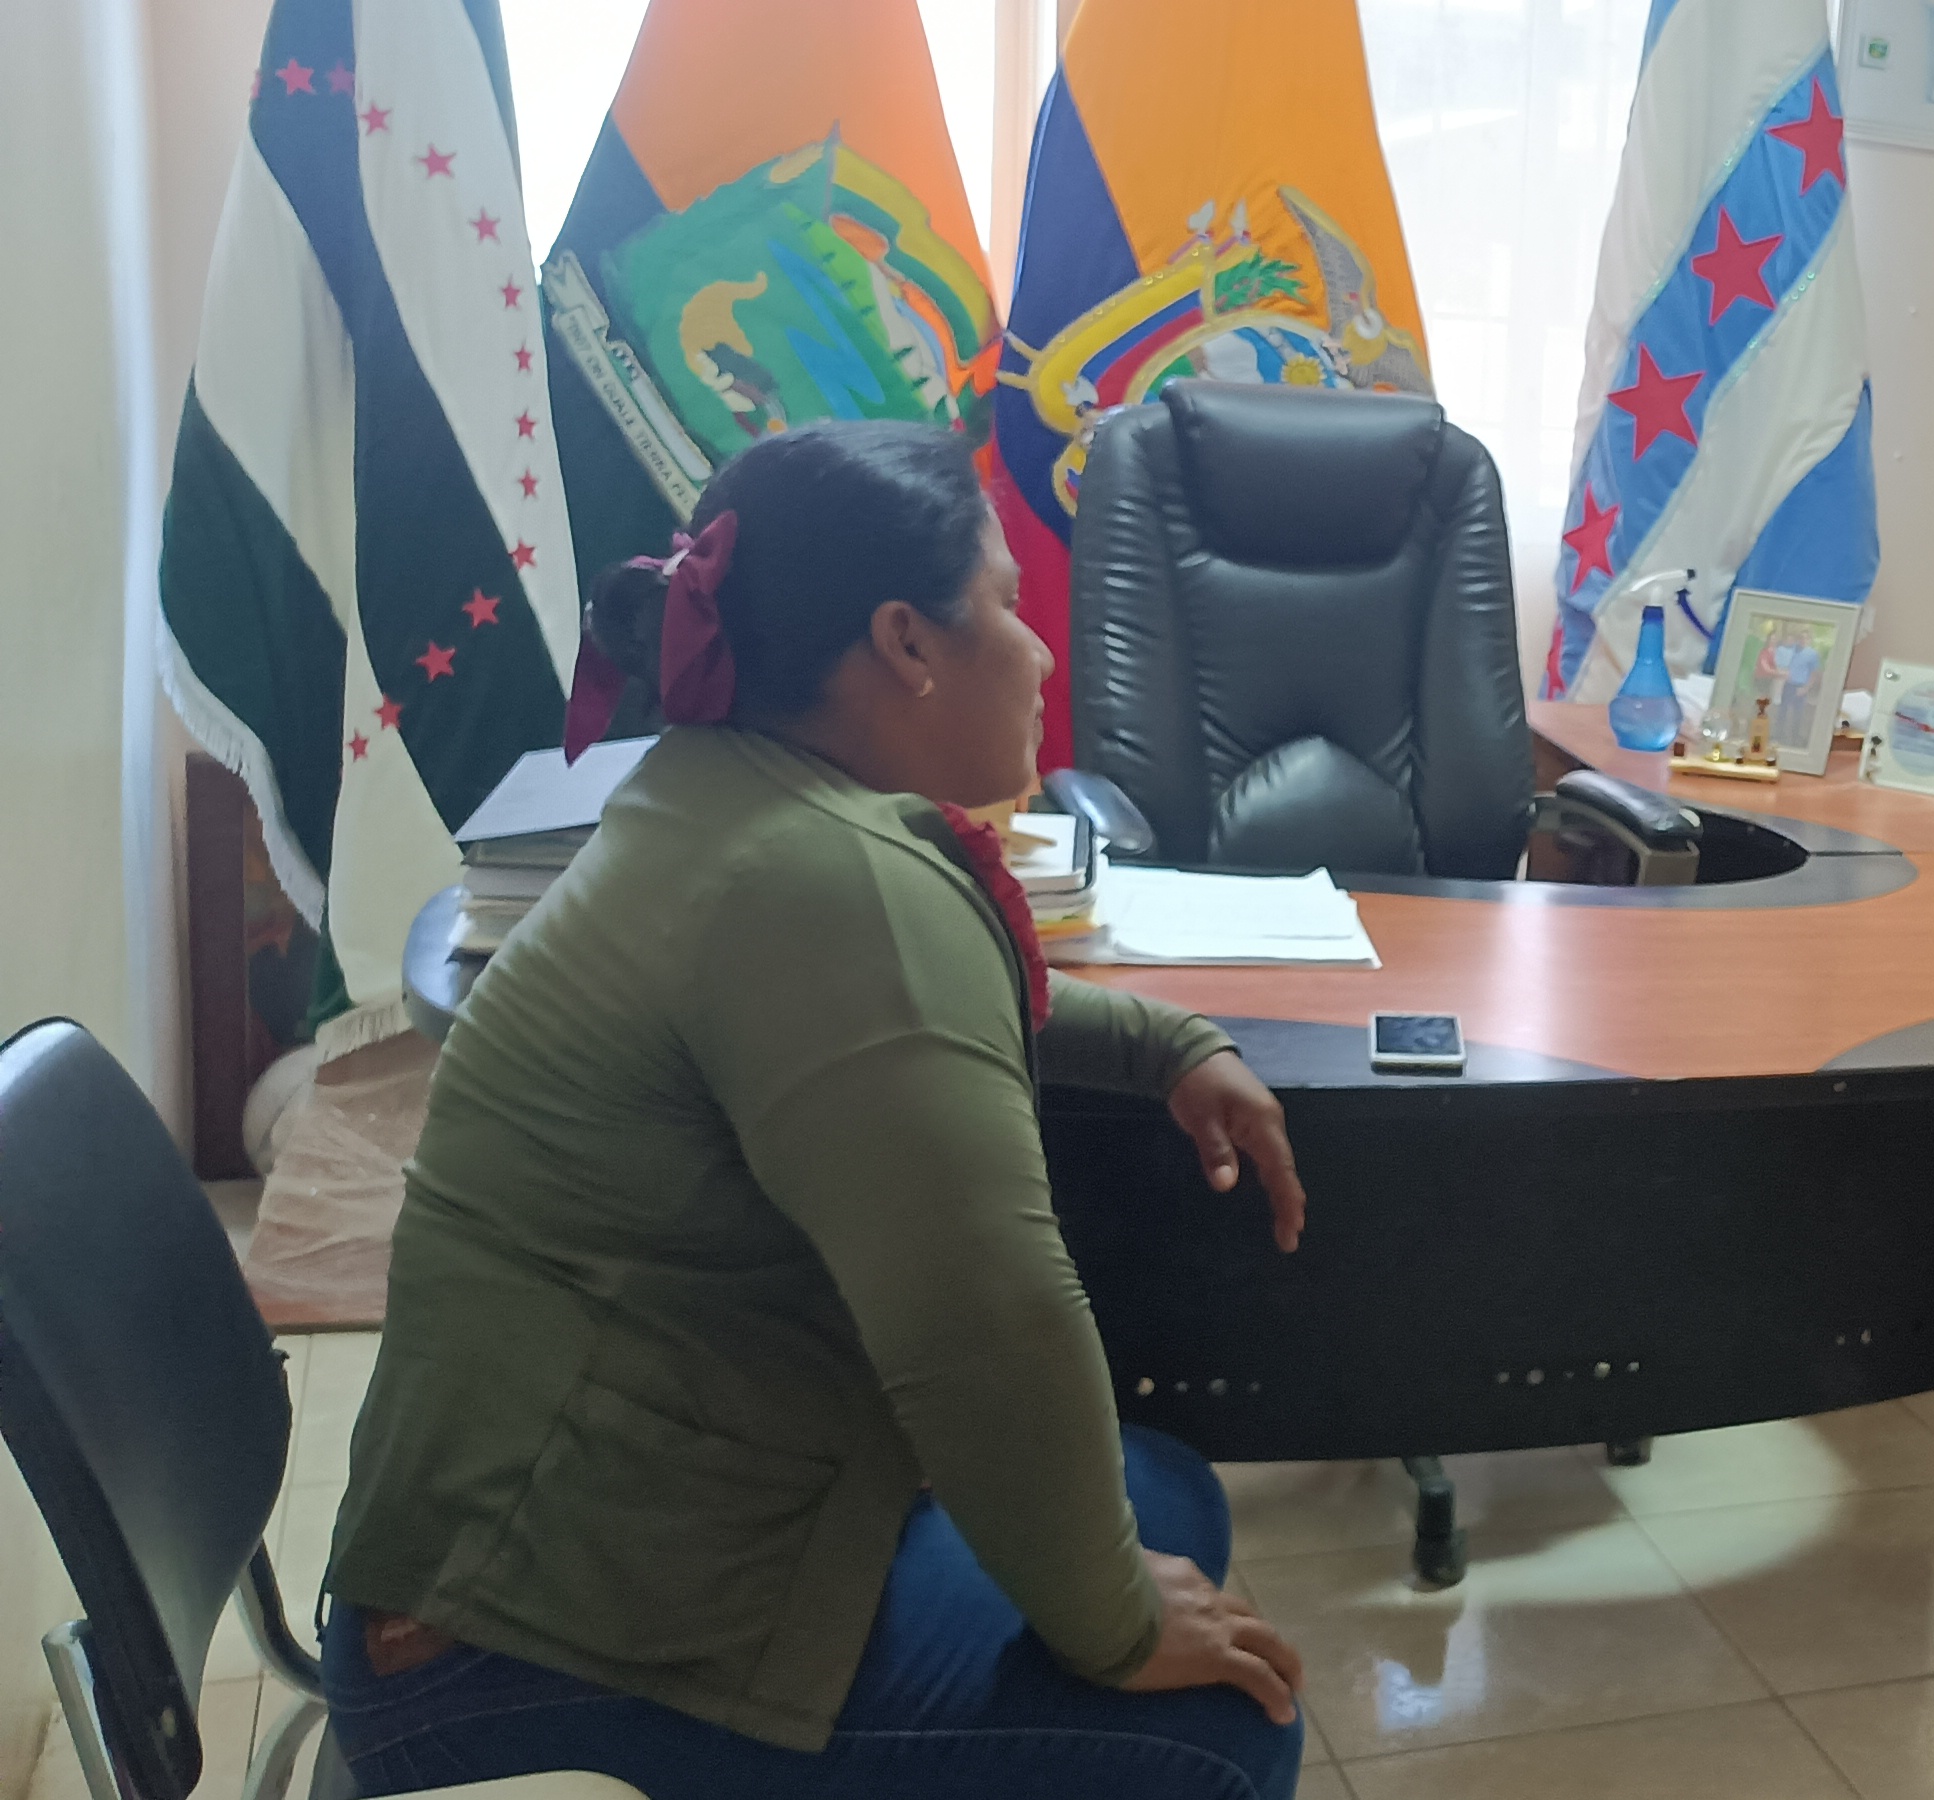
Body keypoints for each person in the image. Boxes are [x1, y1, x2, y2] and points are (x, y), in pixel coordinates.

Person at [321, 422, 1313, 1798]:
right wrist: (1121, 1626)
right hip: (515, 1654)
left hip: (552, 1541)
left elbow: (929, 1011)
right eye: (1008, 606)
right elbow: (987, 1322)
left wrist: (1165, 1044)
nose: (1040, 655)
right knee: (1221, 1737)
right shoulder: (825, 880)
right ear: (905, 642)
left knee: (1162, 1491)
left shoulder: (730, 797)